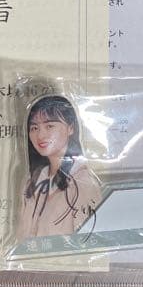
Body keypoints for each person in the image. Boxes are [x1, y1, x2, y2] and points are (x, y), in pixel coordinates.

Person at [16, 95, 102, 241]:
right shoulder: (32, 182)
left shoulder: (83, 183)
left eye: (49, 126)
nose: (40, 135)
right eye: (34, 128)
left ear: (70, 128)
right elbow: (21, 238)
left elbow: (88, 242)